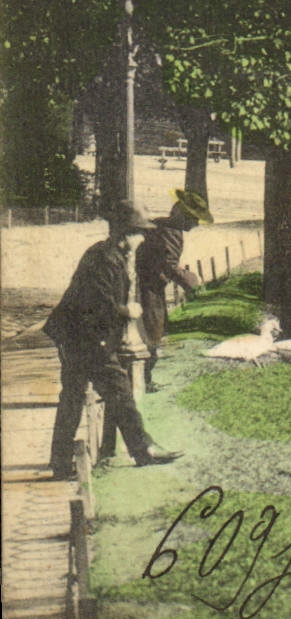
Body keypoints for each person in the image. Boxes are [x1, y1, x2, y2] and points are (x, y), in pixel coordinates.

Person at [44, 201, 183, 478]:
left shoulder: (110, 255)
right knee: (116, 391)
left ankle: (60, 463)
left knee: (73, 396)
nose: (142, 239)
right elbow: (97, 304)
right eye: (139, 233)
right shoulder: (105, 260)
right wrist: (127, 311)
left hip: (80, 335)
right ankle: (143, 450)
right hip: (84, 337)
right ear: (125, 234)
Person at [136, 188, 213, 392]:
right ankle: (143, 381)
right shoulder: (170, 232)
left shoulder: (162, 225)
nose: (196, 224)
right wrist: (193, 284)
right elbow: (169, 265)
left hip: (151, 286)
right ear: (182, 216)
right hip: (149, 289)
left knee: (152, 332)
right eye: (193, 219)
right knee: (152, 332)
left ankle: (144, 379)